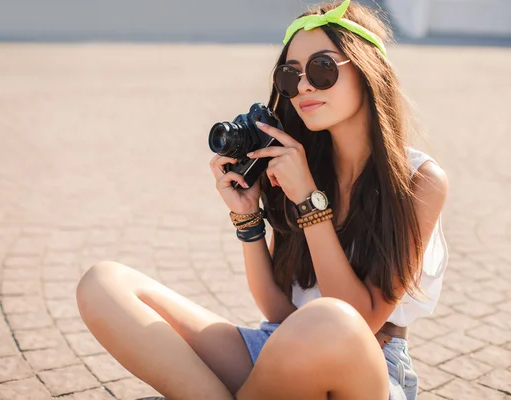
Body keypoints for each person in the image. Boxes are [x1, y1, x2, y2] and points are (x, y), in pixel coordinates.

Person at [76, 1, 449, 399]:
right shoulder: (301, 164)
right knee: (104, 284)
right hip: (280, 350)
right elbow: (278, 311)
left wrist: (309, 201)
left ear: (367, 70)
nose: (303, 86)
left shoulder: (417, 181)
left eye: (323, 69)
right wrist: (248, 218)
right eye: (290, 76)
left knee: (330, 320)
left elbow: (361, 318)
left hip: (365, 368)